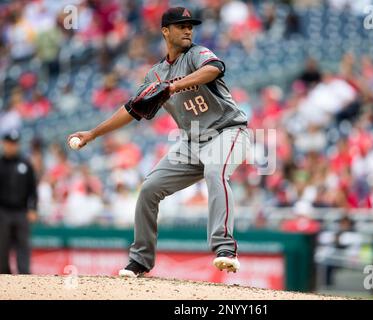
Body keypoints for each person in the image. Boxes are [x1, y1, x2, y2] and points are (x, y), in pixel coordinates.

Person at [68, 7, 250, 277]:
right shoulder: (155, 74)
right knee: (149, 188)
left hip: (227, 131)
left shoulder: (197, 54)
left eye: (190, 25)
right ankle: (140, 260)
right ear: (165, 31)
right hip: (191, 142)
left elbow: (215, 69)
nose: (188, 29)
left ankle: (225, 248)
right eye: (181, 25)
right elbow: (132, 109)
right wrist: (93, 133)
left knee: (215, 171)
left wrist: (174, 86)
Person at [0, 130, 38, 274]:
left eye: (15, 143)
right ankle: (3, 276)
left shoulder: (25, 164)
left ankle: (24, 277)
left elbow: (33, 189)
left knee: (23, 245)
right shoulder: (0, 164)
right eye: (10, 143)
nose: (12, 146)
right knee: (2, 246)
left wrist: (33, 208)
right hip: (3, 211)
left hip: (21, 212)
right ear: (4, 144)